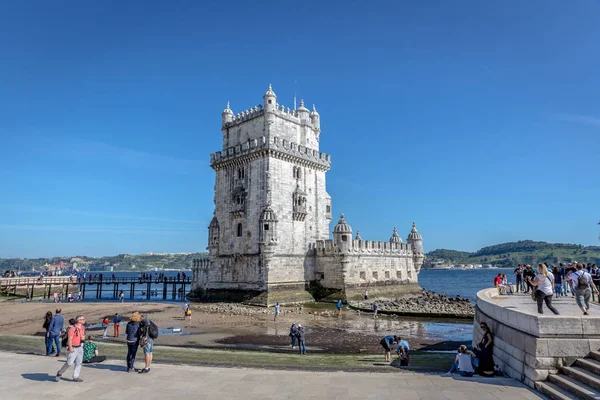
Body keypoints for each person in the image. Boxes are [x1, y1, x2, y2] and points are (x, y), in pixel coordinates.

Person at [56, 315, 86, 382]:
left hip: (80, 346)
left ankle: (76, 376)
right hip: (73, 347)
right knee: (69, 363)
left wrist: (82, 340)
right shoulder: (72, 329)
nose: (84, 320)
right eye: (83, 319)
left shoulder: (83, 327)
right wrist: (70, 348)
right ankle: (60, 372)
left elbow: (83, 336)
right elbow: (69, 339)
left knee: (79, 362)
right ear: (79, 320)